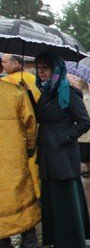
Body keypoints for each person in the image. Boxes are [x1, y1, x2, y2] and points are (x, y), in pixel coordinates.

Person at [34, 53, 90, 248]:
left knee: (65, 197)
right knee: (52, 198)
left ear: (56, 70)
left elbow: (84, 122)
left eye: (45, 68)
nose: (41, 71)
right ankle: (56, 239)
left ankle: (71, 240)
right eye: (39, 67)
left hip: (63, 154)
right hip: (47, 154)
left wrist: (63, 137)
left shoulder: (68, 92)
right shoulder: (44, 92)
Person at [0, 77, 41, 248]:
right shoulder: (16, 92)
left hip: (13, 156)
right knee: (22, 198)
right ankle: (30, 246)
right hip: (15, 156)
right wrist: (30, 148)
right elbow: (30, 124)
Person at [1, 53, 41, 197]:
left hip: (14, 136)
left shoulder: (8, 83)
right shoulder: (34, 79)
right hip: (33, 130)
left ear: (16, 64)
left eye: (5, 62)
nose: (3, 65)